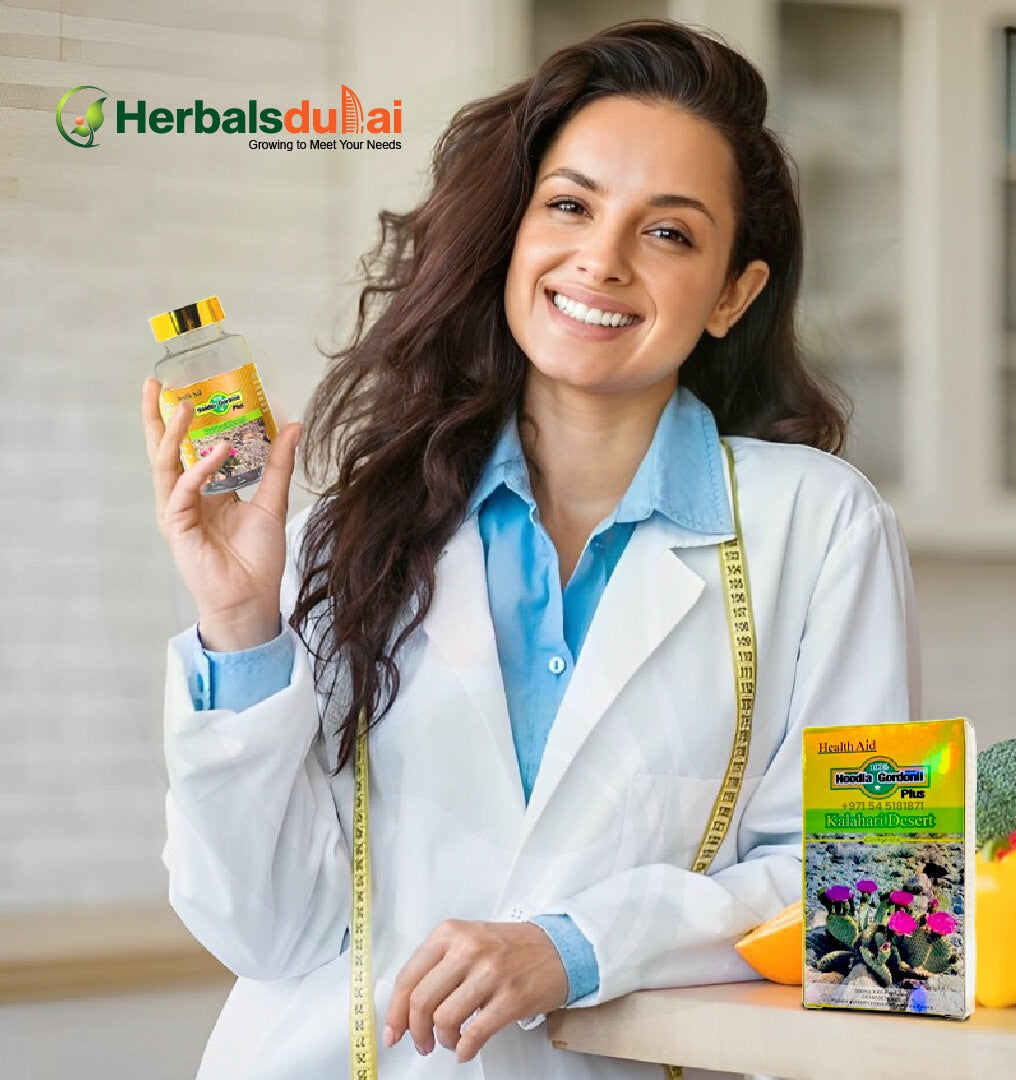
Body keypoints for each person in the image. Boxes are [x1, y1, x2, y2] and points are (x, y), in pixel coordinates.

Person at [142, 19, 919, 1080]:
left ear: (734, 292)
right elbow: (261, 934)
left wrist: (578, 946)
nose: (600, 258)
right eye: (569, 205)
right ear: (515, 234)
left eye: (670, 233)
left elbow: (874, 912)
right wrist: (238, 626)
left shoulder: (823, 524)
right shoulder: (357, 524)